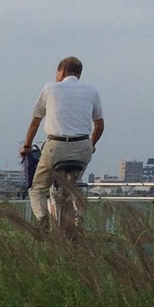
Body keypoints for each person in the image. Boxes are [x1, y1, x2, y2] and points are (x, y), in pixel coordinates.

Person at [22, 56, 103, 233]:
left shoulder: (50, 88)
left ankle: (43, 221)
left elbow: (35, 122)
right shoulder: (92, 91)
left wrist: (27, 146)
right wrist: (91, 145)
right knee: (69, 189)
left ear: (61, 71)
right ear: (79, 73)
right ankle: (69, 229)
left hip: (56, 146)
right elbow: (99, 125)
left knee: (37, 189)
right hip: (82, 147)